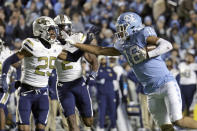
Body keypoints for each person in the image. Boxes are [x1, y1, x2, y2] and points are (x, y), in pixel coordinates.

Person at [65, 12, 197, 131]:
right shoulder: (123, 45)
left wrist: (147, 54)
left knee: (178, 120)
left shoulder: (142, 34)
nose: (119, 31)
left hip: (166, 83)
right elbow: (100, 50)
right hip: (150, 91)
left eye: (122, 27)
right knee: (166, 127)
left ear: (132, 26)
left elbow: (167, 45)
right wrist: (76, 44)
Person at [1, 16, 83, 131]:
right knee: (24, 129)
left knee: (41, 128)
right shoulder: (32, 45)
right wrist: (3, 77)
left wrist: (86, 45)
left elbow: (73, 58)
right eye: (50, 29)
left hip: (43, 94)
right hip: (26, 93)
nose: (54, 33)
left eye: (54, 29)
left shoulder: (56, 47)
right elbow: (9, 60)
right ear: (40, 30)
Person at [53, 14, 99, 131]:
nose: (63, 31)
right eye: (60, 28)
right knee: (72, 123)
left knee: (88, 122)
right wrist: (87, 41)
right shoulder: (52, 45)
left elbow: (93, 59)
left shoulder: (77, 38)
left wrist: (93, 74)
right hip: (64, 86)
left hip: (79, 83)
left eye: (66, 27)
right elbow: (72, 57)